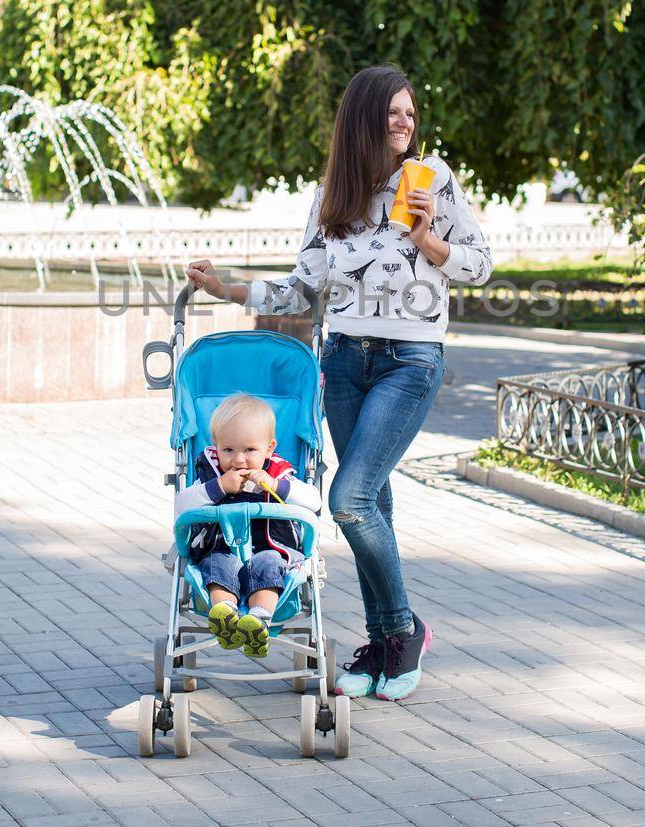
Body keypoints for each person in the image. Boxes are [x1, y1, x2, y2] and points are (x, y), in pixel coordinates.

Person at [186, 64, 492, 701]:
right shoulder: (333, 197)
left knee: (350, 499)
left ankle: (404, 632)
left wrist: (428, 239)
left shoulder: (433, 180)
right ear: (363, 119)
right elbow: (301, 288)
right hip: (347, 360)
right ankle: (380, 644)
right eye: (393, 112)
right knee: (372, 504)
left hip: (411, 360)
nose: (405, 122)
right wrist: (231, 289)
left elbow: (481, 267)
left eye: (411, 112)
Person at [174, 393, 321, 658]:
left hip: (268, 550)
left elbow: (315, 500)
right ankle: (226, 617)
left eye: (250, 450)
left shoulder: (279, 474)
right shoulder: (212, 475)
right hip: (222, 550)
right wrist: (216, 488)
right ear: (216, 447)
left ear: (269, 448)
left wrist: (276, 486)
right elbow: (181, 506)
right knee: (216, 563)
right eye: (228, 450)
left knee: (269, 563)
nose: (239, 460)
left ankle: (258, 619)